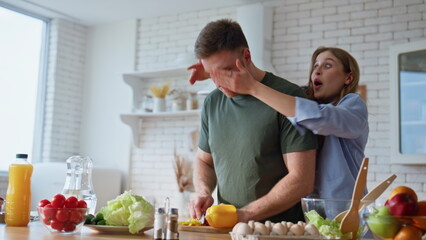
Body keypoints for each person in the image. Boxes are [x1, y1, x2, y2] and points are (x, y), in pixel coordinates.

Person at [187, 19, 317, 223]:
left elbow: (301, 180)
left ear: (246, 56)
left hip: (278, 232)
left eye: (226, 71)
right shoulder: (212, 102)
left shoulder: (289, 98)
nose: (219, 83)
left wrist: (243, 215)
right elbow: (204, 160)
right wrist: (203, 191)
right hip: (228, 229)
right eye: (212, 74)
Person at [211, 46, 369, 200]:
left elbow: (320, 117)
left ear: (348, 77)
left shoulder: (353, 107)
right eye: (315, 66)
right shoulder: (305, 101)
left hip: (346, 211)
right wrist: (214, 69)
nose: (317, 71)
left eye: (327, 65)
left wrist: (253, 87)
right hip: (311, 212)